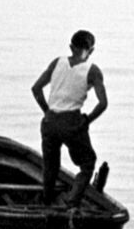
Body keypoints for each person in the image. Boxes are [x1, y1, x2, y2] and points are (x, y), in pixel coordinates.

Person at [31, 29, 108, 206]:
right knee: (88, 163)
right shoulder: (93, 71)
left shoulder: (57, 63)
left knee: (50, 167)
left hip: (50, 122)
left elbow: (36, 89)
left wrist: (47, 112)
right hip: (72, 123)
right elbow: (103, 103)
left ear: (70, 47)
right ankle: (71, 203)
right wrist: (87, 120)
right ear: (91, 51)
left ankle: (47, 201)